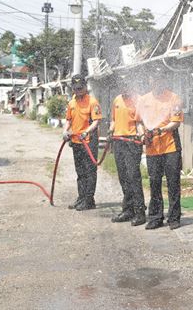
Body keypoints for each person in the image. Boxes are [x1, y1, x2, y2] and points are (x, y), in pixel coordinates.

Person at [136, 76, 183, 230]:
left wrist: (160, 129)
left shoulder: (174, 98)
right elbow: (138, 122)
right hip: (152, 148)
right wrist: (143, 135)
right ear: (150, 81)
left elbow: (175, 122)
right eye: (154, 80)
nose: (157, 83)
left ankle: (174, 218)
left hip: (170, 147)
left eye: (160, 80)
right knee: (154, 183)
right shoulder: (143, 100)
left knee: (173, 183)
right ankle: (156, 217)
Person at [63, 74, 102, 211]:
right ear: (73, 88)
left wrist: (87, 131)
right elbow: (68, 120)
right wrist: (65, 131)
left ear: (85, 87)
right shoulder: (71, 103)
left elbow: (96, 121)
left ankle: (89, 200)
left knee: (90, 171)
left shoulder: (92, 102)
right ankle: (81, 197)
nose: (78, 90)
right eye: (76, 88)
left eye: (81, 88)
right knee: (80, 171)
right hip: (76, 141)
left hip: (89, 141)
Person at [108, 86, 146, 226]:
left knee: (133, 176)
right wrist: (111, 130)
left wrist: (141, 135)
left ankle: (140, 212)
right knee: (123, 176)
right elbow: (113, 119)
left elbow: (140, 122)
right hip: (118, 142)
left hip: (132, 142)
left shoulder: (139, 100)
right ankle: (128, 210)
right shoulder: (117, 99)